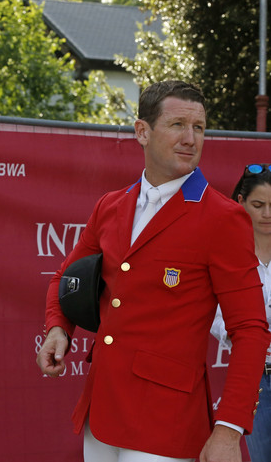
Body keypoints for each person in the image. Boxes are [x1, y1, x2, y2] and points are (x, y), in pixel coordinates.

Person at [35, 80, 271, 462]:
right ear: (142, 131)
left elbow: (251, 330)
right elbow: (67, 278)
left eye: (199, 128)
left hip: (168, 424)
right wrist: (58, 327)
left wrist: (228, 429)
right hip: (102, 412)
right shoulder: (110, 206)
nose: (190, 138)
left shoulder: (223, 217)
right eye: (177, 125)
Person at [211, 164, 271, 462]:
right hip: (254, 377)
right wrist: (246, 338)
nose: (267, 214)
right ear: (240, 203)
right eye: (258, 205)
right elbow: (214, 312)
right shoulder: (228, 254)